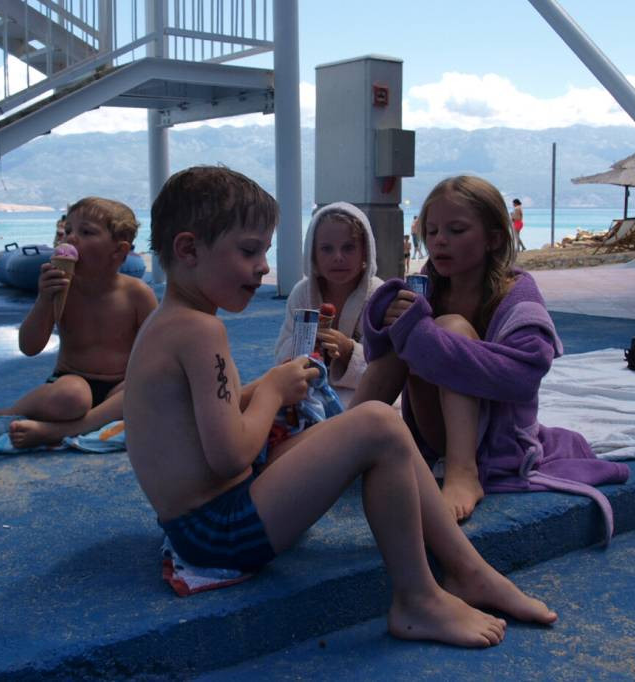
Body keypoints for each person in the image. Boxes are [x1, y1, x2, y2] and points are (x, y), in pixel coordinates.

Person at [125, 166, 556, 647]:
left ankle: (467, 571)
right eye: (249, 252)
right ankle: (419, 598)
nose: (264, 267)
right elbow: (228, 456)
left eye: (265, 251)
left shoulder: (173, 321)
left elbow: (198, 418)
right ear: (188, 250)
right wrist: (270, 392)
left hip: (203, 523)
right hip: (219, 533)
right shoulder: (200, 331)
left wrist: (263, 390)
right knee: (377, 424)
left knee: (380, 430)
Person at [351, 176, 629, 522]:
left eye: (456, 230)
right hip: (433, 433)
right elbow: (381, 357)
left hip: (496, 442)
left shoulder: (517, 297)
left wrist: (426, 337)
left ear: (493, 239)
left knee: (448, 328)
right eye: (432, 231)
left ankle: (463, 473)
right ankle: (346, 442)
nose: (440, 241)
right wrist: (390, 319)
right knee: (409, 334)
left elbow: (522, 379)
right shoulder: (428, 287)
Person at [0, 197, 158, 447]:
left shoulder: (137, 294)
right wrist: (44, 299)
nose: (71, 238)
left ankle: (61, 430)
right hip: (71, 382)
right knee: (72, 397)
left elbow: (157, 353)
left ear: (118, 251)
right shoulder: (63, 290)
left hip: (119, 388)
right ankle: (6, 413)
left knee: (145, 389)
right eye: (68, 231)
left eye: (86, 232)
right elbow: (29, 346)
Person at [273, 203, 383, 406]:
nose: (338, 257)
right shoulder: (302, 294)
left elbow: (386, 370)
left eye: (348, 248)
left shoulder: (378, 295)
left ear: (365, 252)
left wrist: (348, 350)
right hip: (309, 392)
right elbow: (281, 357)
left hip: (367, 395)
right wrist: (304, 344)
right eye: (326, 249)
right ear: (312, 254)